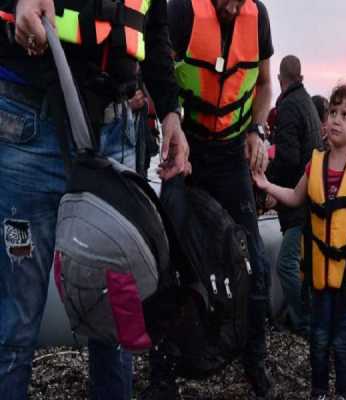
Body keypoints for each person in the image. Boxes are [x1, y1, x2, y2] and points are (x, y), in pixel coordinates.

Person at [0, 0, 190, 398]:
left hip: (117, 133)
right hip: (29, 124)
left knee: (118, 325)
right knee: (14, 324)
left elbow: (155, 28)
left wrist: (170, 112)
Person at [147, 0, 274, 398]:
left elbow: (265, 83)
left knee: (254, 260)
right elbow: (155, 68)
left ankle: (255, 357)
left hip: (231, 155)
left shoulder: (259, 17)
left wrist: (256, 129)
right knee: (167, 260)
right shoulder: (182, 12)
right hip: (186, 149)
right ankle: (162, 372)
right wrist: (167, 122)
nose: (233, 6)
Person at [253, 84, 346, 400]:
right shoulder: (314, 165)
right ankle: (319, 391)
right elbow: (294, 196)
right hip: (319, 271)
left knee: (342, 337)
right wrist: (266, 184)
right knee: (319, 335)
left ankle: (343, 393)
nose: (336, 119)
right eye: (333, 112)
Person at [266, 54, 322, 336]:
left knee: (286, 264)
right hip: (313, 194)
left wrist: (269, 185)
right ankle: (307, 313)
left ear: (279, 79)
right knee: (306, 263)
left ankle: (302, 321)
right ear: (300, 77)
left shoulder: (288, 106)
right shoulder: (308, 103)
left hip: (298, 198)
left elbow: (288, 158)